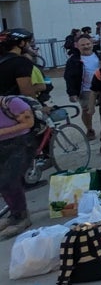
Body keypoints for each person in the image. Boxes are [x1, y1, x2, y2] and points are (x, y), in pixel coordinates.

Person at [0, 96, 35, 240]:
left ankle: (21, 216)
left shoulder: (11, 103)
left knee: (10, 179)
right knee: (2, 183)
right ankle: (15, 213)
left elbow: (29, 123)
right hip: (3, 147)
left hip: (21, 143)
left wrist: (3, 132)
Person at [64, 35, 101, 140]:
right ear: (77, 46)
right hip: (86, 89)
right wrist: (72, 93)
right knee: (87, 110)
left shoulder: (100, 55)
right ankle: (89, 129)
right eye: (83, 45)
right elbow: (69, 77)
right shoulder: (74, 60)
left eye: (88, 44)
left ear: (92, 43)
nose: (86, 46)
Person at [0, 28, 37, 97]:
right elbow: (27, 93)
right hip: (13, 105)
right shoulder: (21, 62)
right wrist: (37, 106)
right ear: (22, 43)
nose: (29, 45)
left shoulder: (3, 60)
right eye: (28, 42)